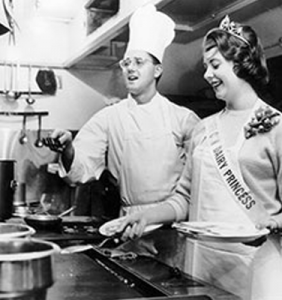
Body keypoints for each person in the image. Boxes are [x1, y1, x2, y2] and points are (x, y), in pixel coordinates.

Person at [118, 15, 282, 300]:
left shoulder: (277, 127)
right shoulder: (203, 129)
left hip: (257, 265)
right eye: (206, 66)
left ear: (242, 64)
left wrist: (275, 222)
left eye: (215, 65)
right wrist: (146, 215)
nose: (207, 74)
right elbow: (184, 200)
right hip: (201, 265)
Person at [45, 4, 200, 217]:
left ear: (157, 70)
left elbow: (203, 177)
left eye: (138, 62)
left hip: (172, 220)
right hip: (128, 222)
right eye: (126, 63)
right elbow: (79, 171)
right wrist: (68, 149)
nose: (130, 69)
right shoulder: (110, 117)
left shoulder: (183, 119)